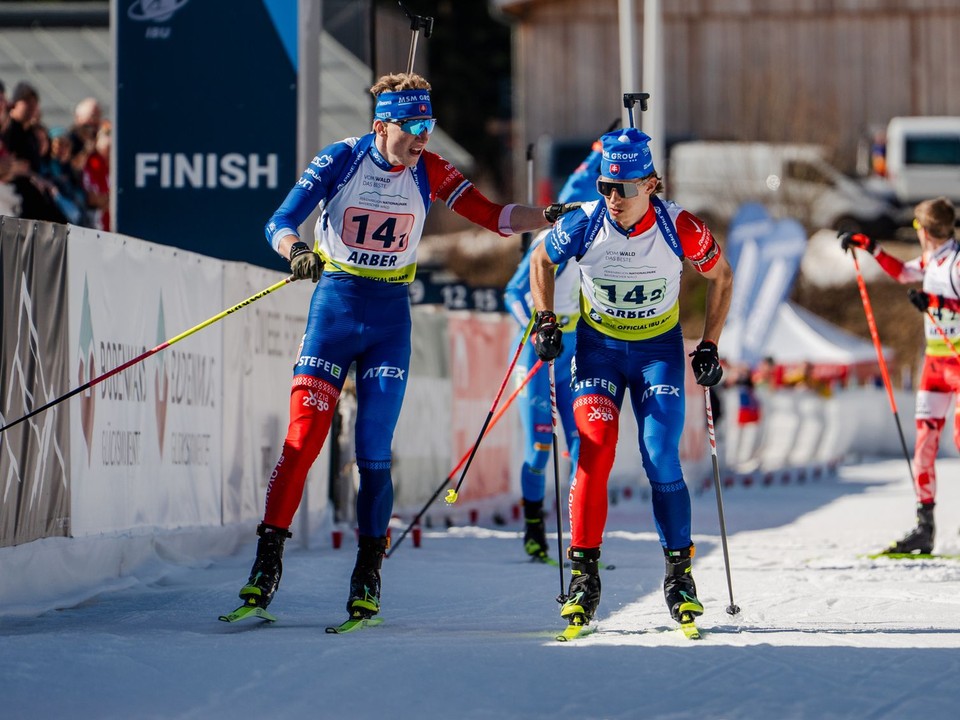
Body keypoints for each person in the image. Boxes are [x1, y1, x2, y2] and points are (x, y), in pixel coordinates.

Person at [232, 72, 579, 622]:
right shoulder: (343, 159)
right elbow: (278, 222)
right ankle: (265, 565)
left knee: (373, 451)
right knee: (303, 440)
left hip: (390, 317)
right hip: (337, 307)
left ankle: (367, 574)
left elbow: (493, 218)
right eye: (413, 126)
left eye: (429, 125)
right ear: (381, 126)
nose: (422, 137)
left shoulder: (432, 169)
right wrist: (297, 249)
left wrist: (550, 217)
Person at [528, 127, 734, 631]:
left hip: (656, 352)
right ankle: (584, 579)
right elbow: (540, 259)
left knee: (661, 453)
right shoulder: (585, 223)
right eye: (604, 186)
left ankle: (680, 576)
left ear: (651, 184)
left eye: (624, 188)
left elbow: (721, 277)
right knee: (593, 451)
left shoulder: (679, 225)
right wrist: (546, 321)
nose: (613, 198)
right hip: (598, 351)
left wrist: (709, 344)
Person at [841, 197, 959, 555]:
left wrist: (937, 305)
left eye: (916, 227)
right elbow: (903, 273)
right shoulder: (932, 260)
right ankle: (925, 526)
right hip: (935, 366)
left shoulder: (955, 263)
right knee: (924, 446)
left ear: (924, 229)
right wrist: (871, 247)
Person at [503, 140, 602, 561]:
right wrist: (538, 326)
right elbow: (512, 293)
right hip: (541, 347)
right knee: (540, 446)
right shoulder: (551, 239)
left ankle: (581, 537)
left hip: (577, 345)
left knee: (584, 442)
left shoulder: (602, 240)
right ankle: (534, 529)